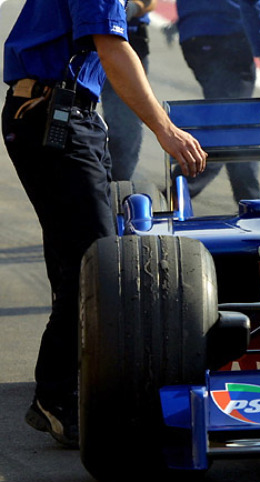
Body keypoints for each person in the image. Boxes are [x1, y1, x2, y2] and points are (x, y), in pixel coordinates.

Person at [3, 0, 207, 448]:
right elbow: (113, 48)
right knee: (96, 265)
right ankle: (58, 396)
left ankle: (63, 392)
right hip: (53, 115)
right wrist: (165, 129)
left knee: (80, 260)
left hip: (60, 112)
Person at [174, 0, 260, 202]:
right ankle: (177, 192)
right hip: (229, 32)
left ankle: (250, 200)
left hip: (193, 33)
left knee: (229, 120)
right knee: (232, 126)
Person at [100, 0, 156, 182]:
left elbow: (150, 3)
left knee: (126, 127)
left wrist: (132, 7)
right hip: (82, 39)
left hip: (129, 39)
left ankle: (116, 187)